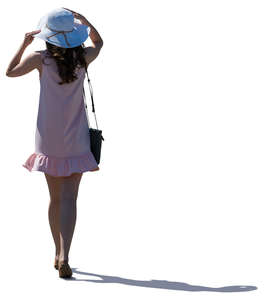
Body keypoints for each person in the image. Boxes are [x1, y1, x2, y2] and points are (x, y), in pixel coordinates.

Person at [5, 7, 104, 278]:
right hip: (77, 135)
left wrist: (24, 43)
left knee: (55, 197)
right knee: (71, 198)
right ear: (73, 37)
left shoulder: (41, 59)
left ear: (48, 36)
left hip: (48, 136)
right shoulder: (83, 58)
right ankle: (65, 254)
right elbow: (100, 42)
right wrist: (84, 20)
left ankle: (56, 253)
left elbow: (10, 72)